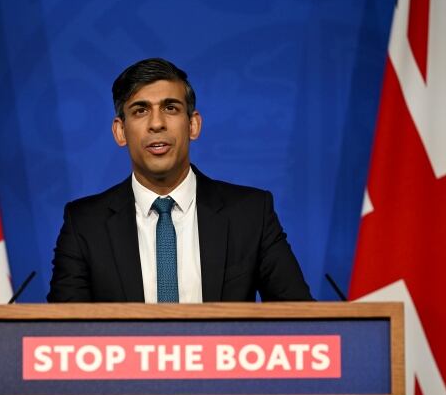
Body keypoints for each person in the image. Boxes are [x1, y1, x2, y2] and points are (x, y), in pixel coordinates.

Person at [47, 58, 311, 303]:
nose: (157, 124)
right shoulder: (84, 224)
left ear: (193, 125)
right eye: (140, 111)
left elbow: (302, 320)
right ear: (120, 131)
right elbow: (63, 335)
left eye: (170, 108)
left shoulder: (251, 214)